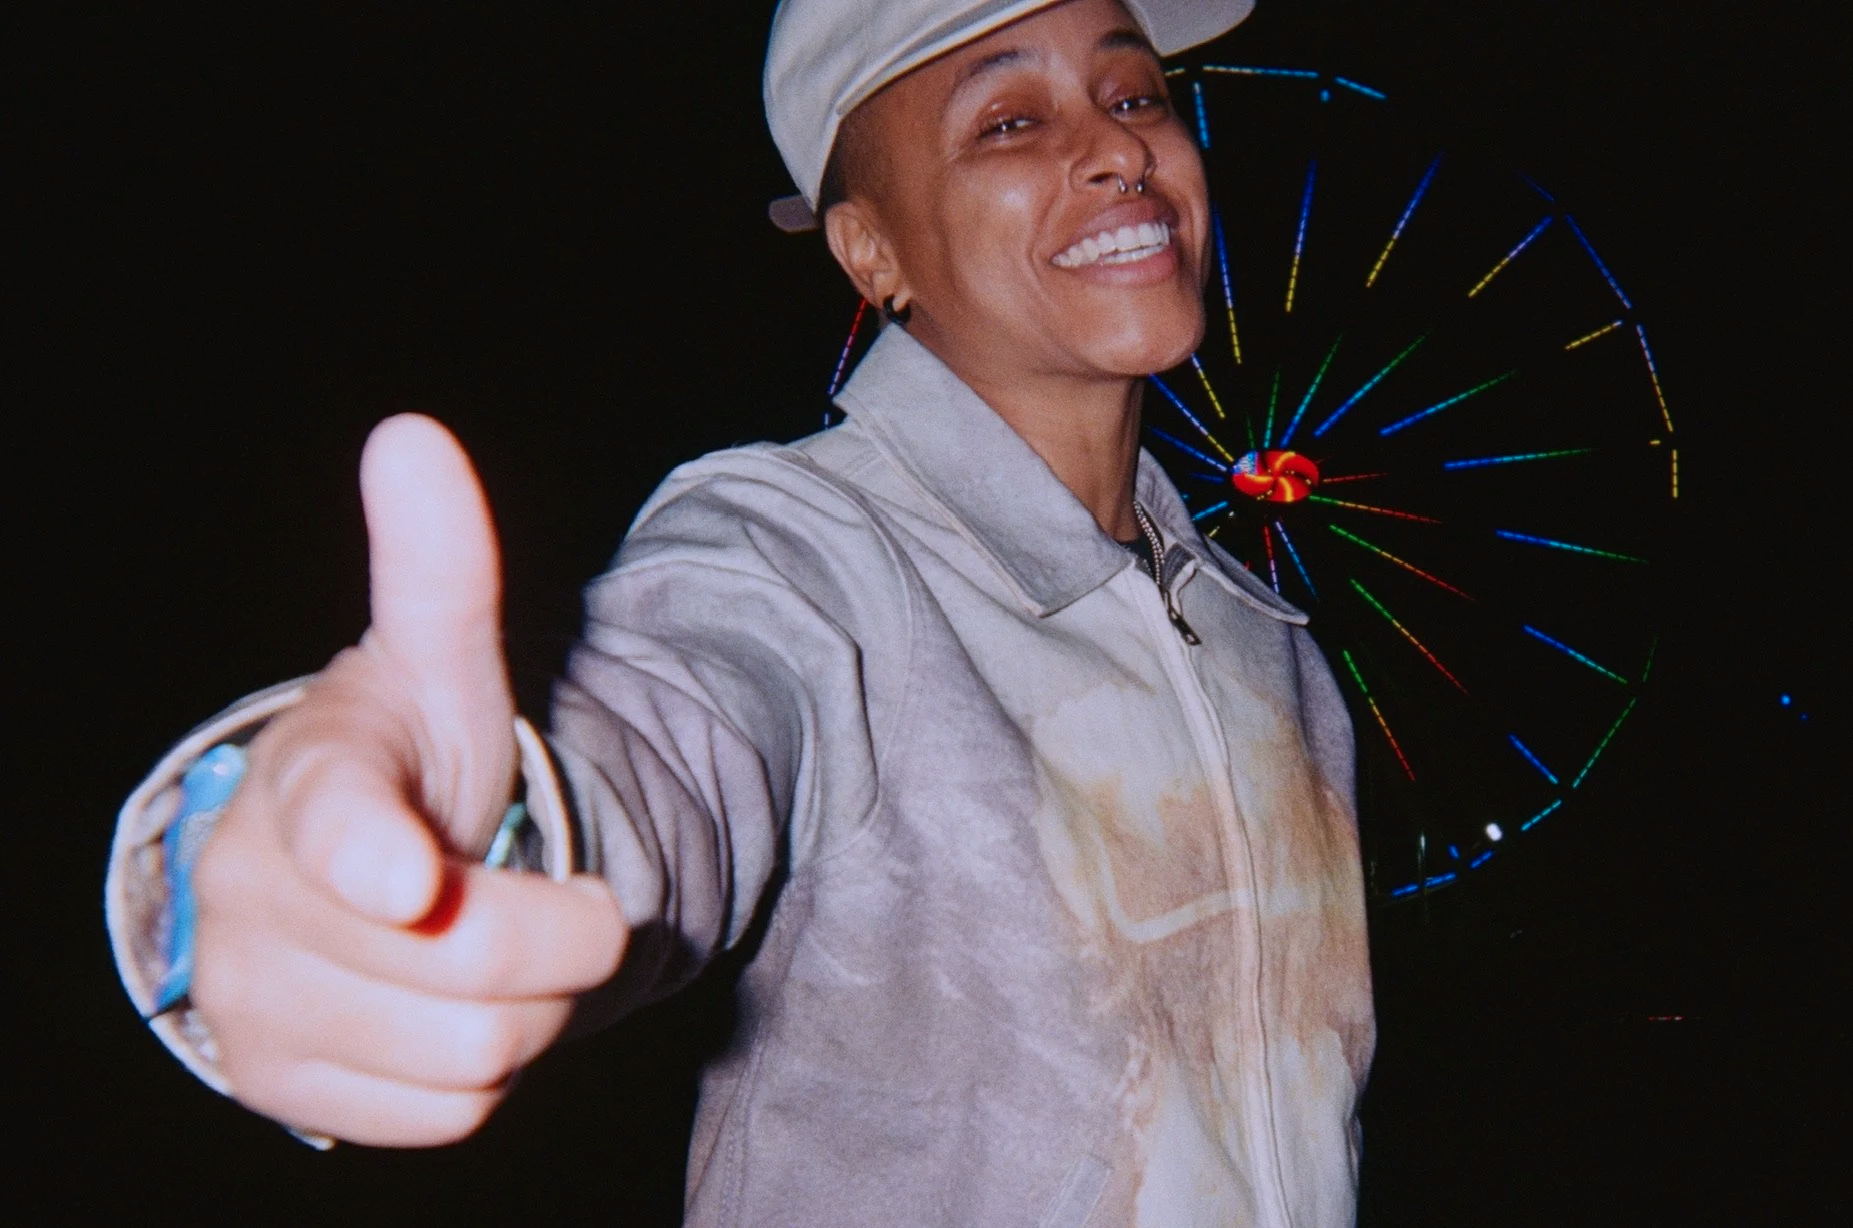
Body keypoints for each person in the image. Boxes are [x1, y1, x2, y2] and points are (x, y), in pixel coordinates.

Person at [106, 0, 1375, 1222]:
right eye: (1008, 123)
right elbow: (665, 726)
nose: (1115, 150)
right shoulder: (810, 553)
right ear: (870, 253)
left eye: (1134, 94)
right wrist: (439, 846)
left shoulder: (1271, 651)